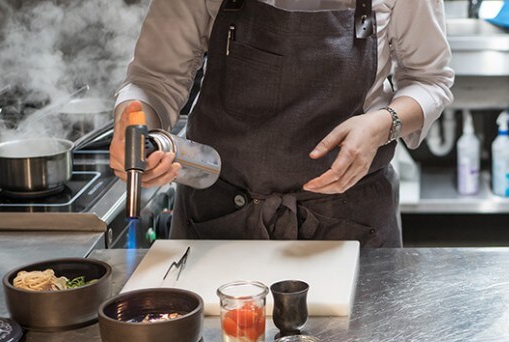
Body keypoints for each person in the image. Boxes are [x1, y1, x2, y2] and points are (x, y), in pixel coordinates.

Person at [109, 0, 453, 247]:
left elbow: (430, 80)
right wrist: (134, 127)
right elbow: (155, 79)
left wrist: (383, 123)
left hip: (350, 223)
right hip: (219, 221)